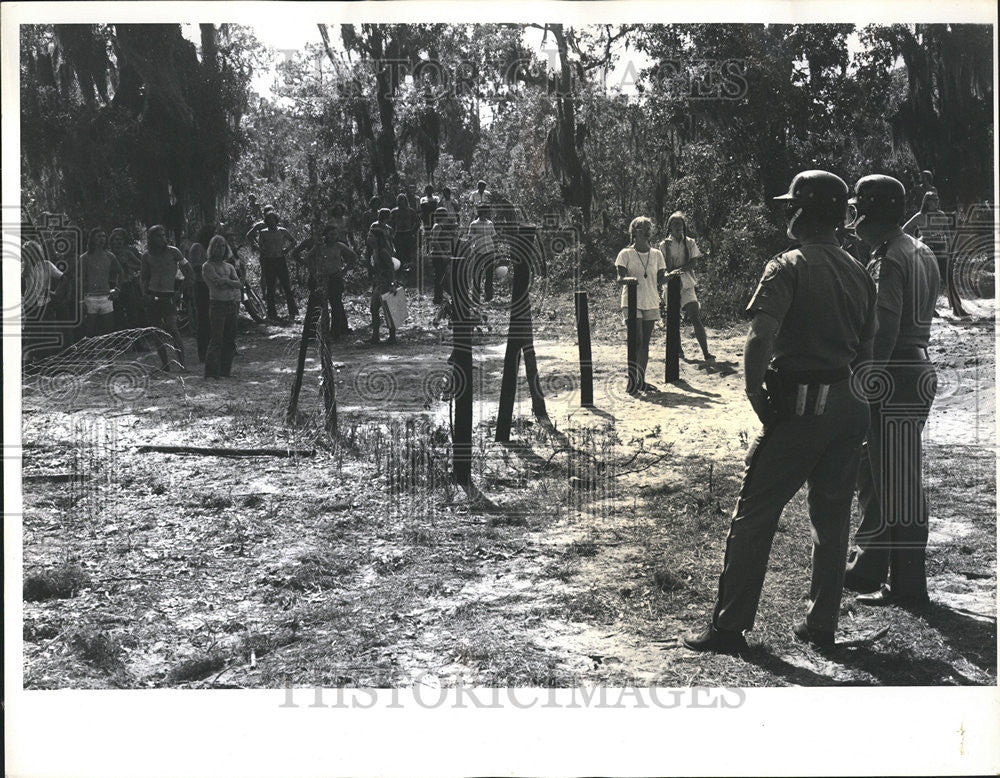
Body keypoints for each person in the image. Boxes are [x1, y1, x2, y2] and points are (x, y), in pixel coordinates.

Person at [684, 170, 876, 654]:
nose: (788, 213)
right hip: (850, 405)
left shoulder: (787, 264)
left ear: (805, 212)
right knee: (831, 520)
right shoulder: (858, 269)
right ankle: (821, 624)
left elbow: (760, 337)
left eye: (794, 205)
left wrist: (754, 394)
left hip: (803, 407)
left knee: (755, 513)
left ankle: (729, 627)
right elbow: (868, 354)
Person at [844, 175, 940, 609]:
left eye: (859, 210)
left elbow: (883, 331)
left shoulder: (888, 258)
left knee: (899, 484)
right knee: (883, 473)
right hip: (914, 366)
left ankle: (908, 586)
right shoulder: (917, 249)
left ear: (872, 212)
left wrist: (866, 382)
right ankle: (875, 566)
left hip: (895, 373)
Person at [615, 217, 666, 395]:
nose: (646, 231)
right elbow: (620, 279)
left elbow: (660, 279)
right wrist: (628, 279)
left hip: (650, 300)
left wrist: (673, 276)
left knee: (644, 342)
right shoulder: (625, 254)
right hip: (631, 301)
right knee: (635, 340)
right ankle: (631, 380)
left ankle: (641, 380)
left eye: (648, 228)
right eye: (642, 228)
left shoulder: (657, 254)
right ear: (634, 231)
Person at [658, 212, 715, 362]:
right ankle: (679, 350)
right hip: (671, 284)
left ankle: (706, 352)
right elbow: (667, 267)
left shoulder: (690, 242)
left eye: (680, 223)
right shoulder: (663, 245)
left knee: (695, 316)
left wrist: (679, 270)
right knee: (673, 319)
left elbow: (693, 263)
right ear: (669, 226)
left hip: (687, 283)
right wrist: (669, 251)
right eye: (674, 224)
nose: (678, 226)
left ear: (684, 225)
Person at [903, 191, 968, 318]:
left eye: (937, 199)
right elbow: (904, 229)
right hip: (926, 251)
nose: (937, 202)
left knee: (948, 278)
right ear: (927, 202)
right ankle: (929, 310)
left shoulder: (942, 215)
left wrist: (950, 251)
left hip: (941, 251)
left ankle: (957, 308)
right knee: (929, 281)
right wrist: (916, 241)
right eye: (934, 200)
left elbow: (948, 235)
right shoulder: (920, 216)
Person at [293, 223, 357, 341]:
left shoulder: (339, 246)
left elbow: (353, 256)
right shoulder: (319, 246)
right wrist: (312, 268)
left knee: (336, 305)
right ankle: (312, 333)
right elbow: (307, 258)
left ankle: (336, 333)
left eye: (335, 234)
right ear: (326, 235)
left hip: (335, 278)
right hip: (321, 279)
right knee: (317, 305)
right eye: (331, 234)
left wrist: (344, 271)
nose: (334, 237)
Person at [141, 224, 191, 370]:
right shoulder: (147, 255)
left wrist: (180, 291)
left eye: (163, 235)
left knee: (173, 329)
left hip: (169, 295)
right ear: (151, 238)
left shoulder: (174, 252)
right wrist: (144, 294)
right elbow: (143, 278)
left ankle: (182, 364)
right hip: (153, 295)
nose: (162, 238)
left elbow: (188, 273)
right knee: (156, 331)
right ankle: (165, 364)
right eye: (158, 236)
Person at [201, 235, 242, 379]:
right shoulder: (207, 266)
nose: (221, 249)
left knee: (230, 339)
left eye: (223, 246)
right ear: (212, 248)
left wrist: (227, 282)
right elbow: (217, 283)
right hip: (217, 304)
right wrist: (228, 281)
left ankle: (225, 370)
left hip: (231, 303)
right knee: (217, 338)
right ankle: (211, 372)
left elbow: (239, 284)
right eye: (218, 246)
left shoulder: (229, 266)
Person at [247, 210, 298, 322]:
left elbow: (294, 241)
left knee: (286, 286)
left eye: (273, 218)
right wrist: (260, 249)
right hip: (269, 260)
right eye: (268, 219)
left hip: (280, 259)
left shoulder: (282, 231)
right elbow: (259, 245)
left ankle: (293, 312)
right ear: (266, 221)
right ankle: (272, 314)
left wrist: (287, 249)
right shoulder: (263, 232)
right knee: (270, 287)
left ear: (276, 220)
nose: (271, 221)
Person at [79, 227, 122, 338]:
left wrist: (117, 289)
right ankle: (91, 354)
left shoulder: (110, 256)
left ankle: (108, 354)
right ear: (92, 239)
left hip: (106, 297)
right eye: (99, 236)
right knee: (90, 332)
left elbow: (120, 273)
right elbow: (80, 279)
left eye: (104, 236)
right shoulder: (84, 257)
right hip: (90, 298)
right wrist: (80, 300)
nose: (102, 239)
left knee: (109, 331)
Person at [366, 208, 398, 345]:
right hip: (379, 282)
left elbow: (391, 267)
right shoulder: (375, 251)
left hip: (384, 282)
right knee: (375, 308)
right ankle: (376, 336)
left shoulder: (383, 252)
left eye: (372, 236)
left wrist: (391, 283)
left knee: (387, 309)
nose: (369, 238)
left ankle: (391, 336)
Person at [188, 223, 218, 362]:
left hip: (212, 286)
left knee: (213, 319)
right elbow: (192, 266)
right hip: (201, 286)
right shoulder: (197, 247)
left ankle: (212, 351)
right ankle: (202, 352)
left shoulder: (213, 248)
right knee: (203, 320)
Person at [108, 228, 145, 333]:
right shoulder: (108, 254)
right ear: (111, 241)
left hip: (127, 285)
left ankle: (137, 341)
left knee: (133, 312)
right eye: (116, 239)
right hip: (113, 285)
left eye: (121, 239)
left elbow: (141, 264)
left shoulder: (127, 253)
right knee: (117, 314)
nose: (118, 242)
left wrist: (130, 266)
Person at [468, 204, 499, 305]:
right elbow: (470, 239)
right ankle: (475, 298)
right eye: (487, 212)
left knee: (489, 274)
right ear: (482, 212)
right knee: (477, 274)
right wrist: (471, 251)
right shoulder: (473, 224)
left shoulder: (490, 223)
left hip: (489, 251)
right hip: (479, 251)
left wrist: (496, 250)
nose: (488, 213)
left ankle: (488, 297)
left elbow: (494, 237)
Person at [428, 206, 459, 306]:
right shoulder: (437, 226)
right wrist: (443, 254)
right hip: (438, 255)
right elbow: (434, 241)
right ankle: (437, 299)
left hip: (442, 255)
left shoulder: (441, 225)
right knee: (439, 277)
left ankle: (440, 297)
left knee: (442, 276)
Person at [388, 193, 420, 283]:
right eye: (399, 200)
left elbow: (417, 222)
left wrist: (412, 231)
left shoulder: (411, 211)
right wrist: (392, 232)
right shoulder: (394, 211)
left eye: (402, 200)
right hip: (398, 235)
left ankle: (409, 274)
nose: (400, 202)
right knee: (399, 253)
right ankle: (400, 273)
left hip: (408, 234)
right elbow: (389, 223)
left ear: (405, 201)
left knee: (408, 254)